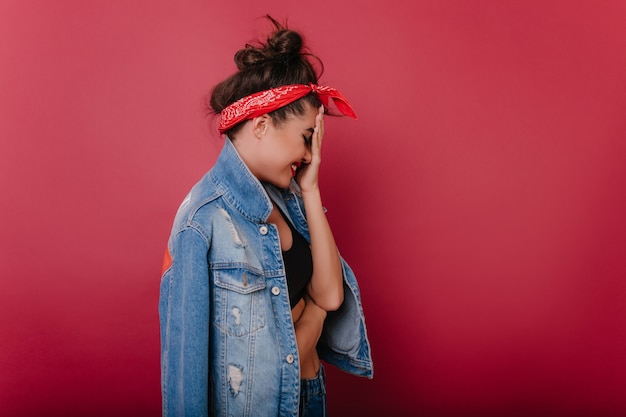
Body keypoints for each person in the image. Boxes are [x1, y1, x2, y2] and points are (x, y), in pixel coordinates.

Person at [159, 16, 373, 417]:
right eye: (307, 139)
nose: (310, 156)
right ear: (260, 125)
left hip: (307, 401)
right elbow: (185, 376)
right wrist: (311, 313)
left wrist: (310, 190)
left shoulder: (288, 199)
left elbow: (329, 295)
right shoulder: (200, 223)